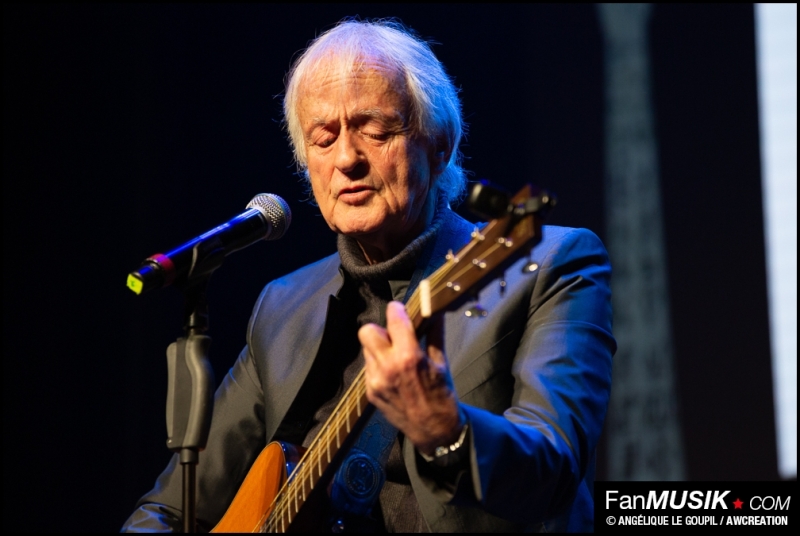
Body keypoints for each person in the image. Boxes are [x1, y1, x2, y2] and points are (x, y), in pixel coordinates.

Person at [122, 18, 614, 533]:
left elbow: (553, 470)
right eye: (322, 138)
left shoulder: (551, 265)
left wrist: (446, 430)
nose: (346, 159)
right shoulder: (283, 307)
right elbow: (169, 510)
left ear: (440, 142)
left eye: (375, 131)